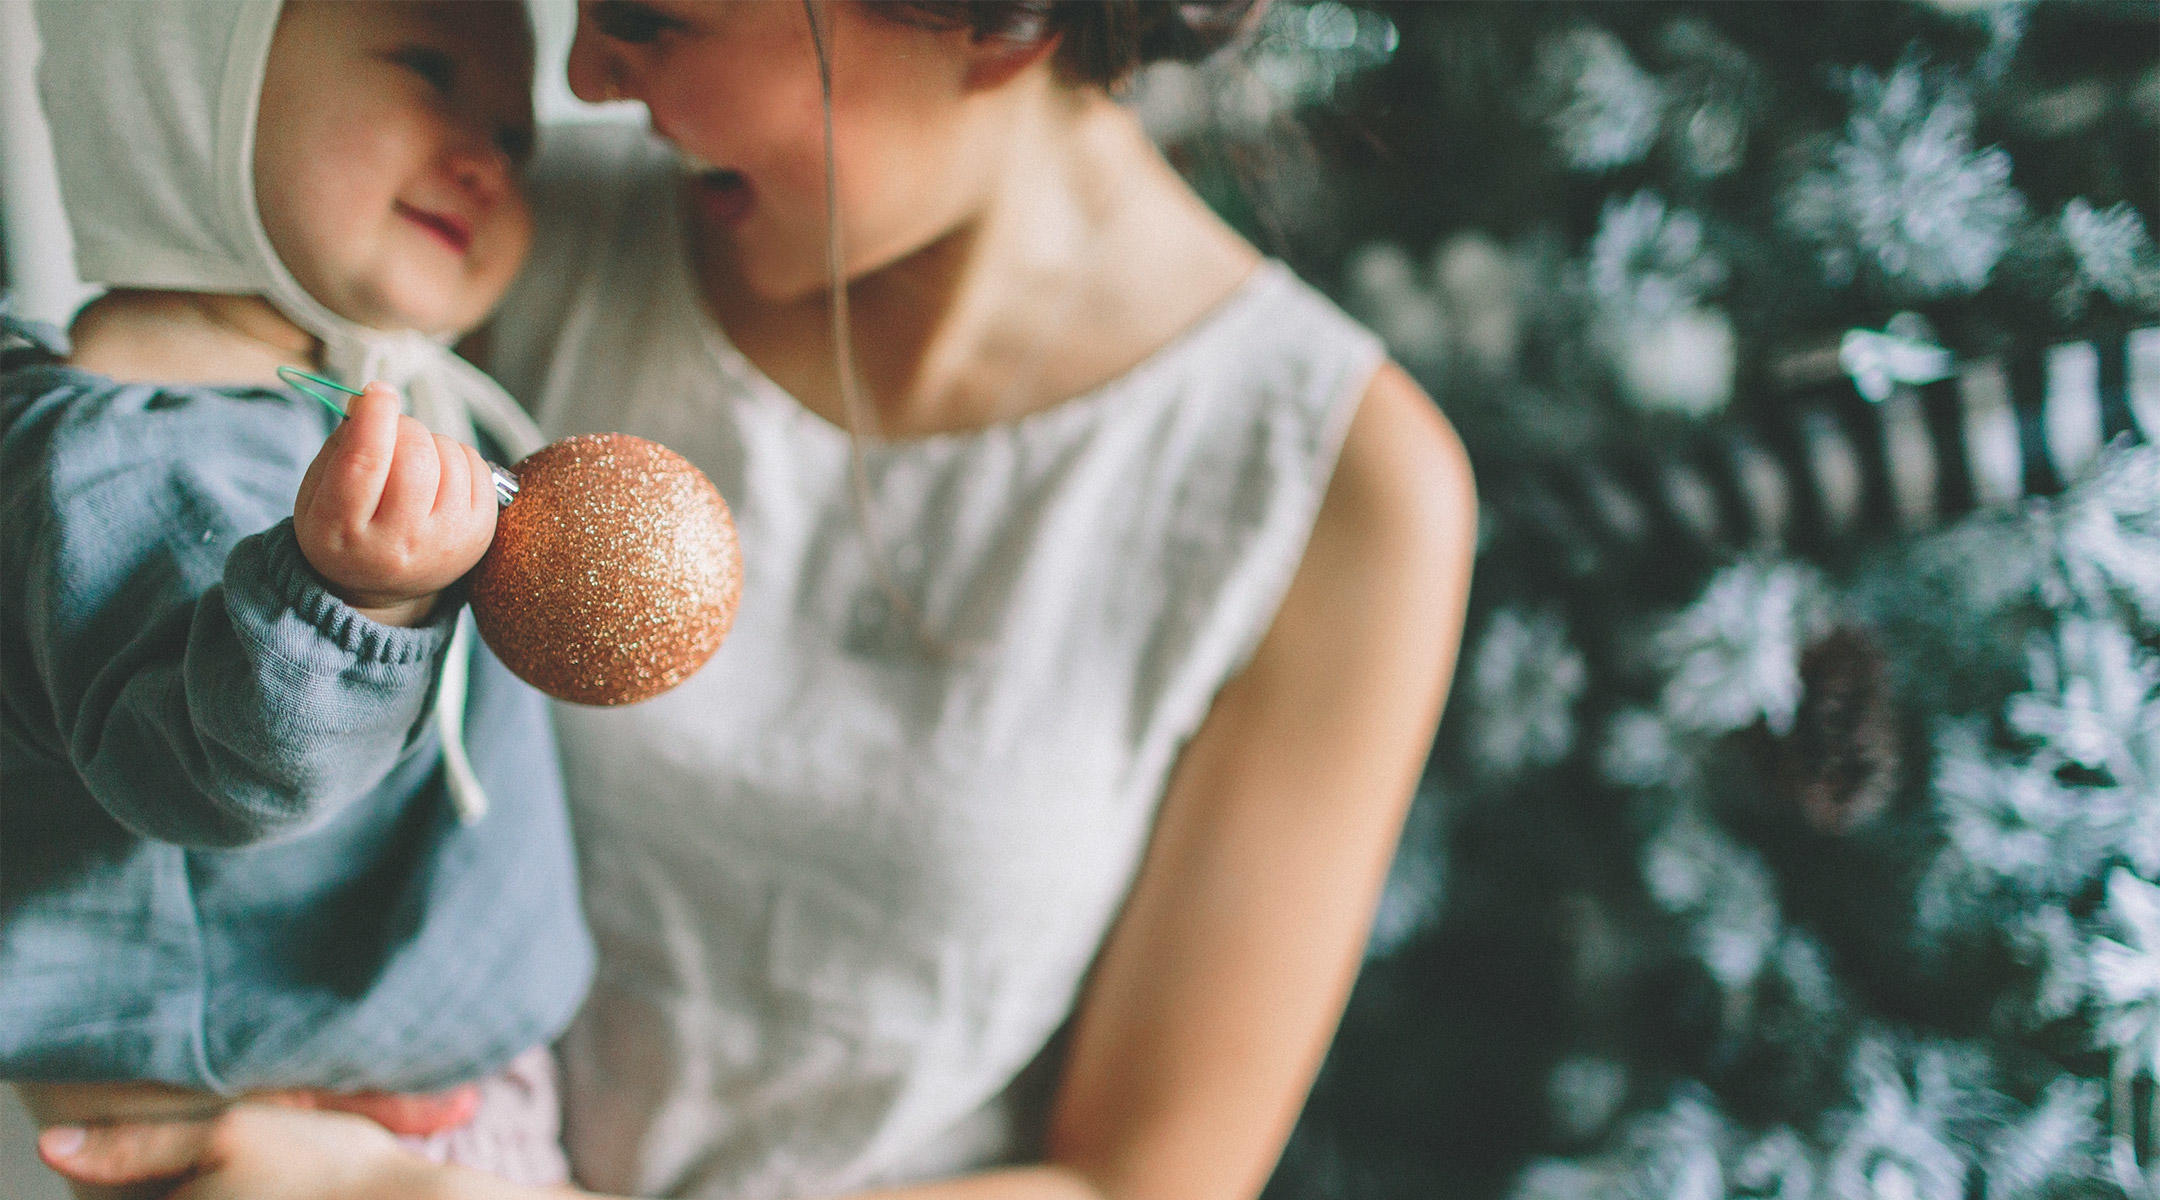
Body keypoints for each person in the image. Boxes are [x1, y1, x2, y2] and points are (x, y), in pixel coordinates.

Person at [38, 2, 1478, 1197]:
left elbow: (1136, 1184)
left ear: (1001, 25)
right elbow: (134, 566)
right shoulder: (492, 240)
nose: (586, 70)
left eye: (654, 17)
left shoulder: (1336, 483)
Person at [5, 1, 592, 1191]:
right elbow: (209, 765)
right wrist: (347, 604)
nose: (486, 157)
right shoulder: (114, 457)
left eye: (516, 139)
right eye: (427, 75)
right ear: (180, 86)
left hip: (427, 1090)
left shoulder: (347, 404)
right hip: (274, 1129)